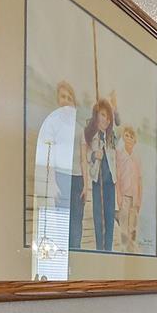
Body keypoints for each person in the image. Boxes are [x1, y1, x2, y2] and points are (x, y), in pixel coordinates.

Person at [82, 94, 119, 251]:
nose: (106, 120)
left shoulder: (112, 137)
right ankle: (99, 249)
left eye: (108, 117)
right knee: (98, 218)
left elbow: (119, 125)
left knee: (109, 219)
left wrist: (115, 108)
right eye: (103, 115)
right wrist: (93, 155)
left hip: (110, 184)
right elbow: (85, 157)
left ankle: (108, 250)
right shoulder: (90, 135)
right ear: (96, 115)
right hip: (97, 182)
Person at [54, 81, 86, 249]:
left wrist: (86, 185)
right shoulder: (54, 126)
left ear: (74, 103)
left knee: (76, 221)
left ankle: (76, 252)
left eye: (69, 98)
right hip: (61, 177)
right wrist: (52, 184)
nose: (66, 100)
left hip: (77, 178)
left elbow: (83, 159)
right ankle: (60, 254)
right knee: (61, 219)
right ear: (58, 100)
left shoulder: (80, 129)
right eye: (63, 97)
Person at [115, 125, 142, 253]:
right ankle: (123, 250)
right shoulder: (120, 156)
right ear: (123, 137)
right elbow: (117, 177)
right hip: (124, 196)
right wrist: (119, 196)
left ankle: (132, 250)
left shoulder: (137, 159)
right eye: (126, 135)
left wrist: (139, 200)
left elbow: (139, 180)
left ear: (135, 140)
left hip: (134, 198)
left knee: (133, 227)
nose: (129, 138)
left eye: (131, 136)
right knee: (123, 226)